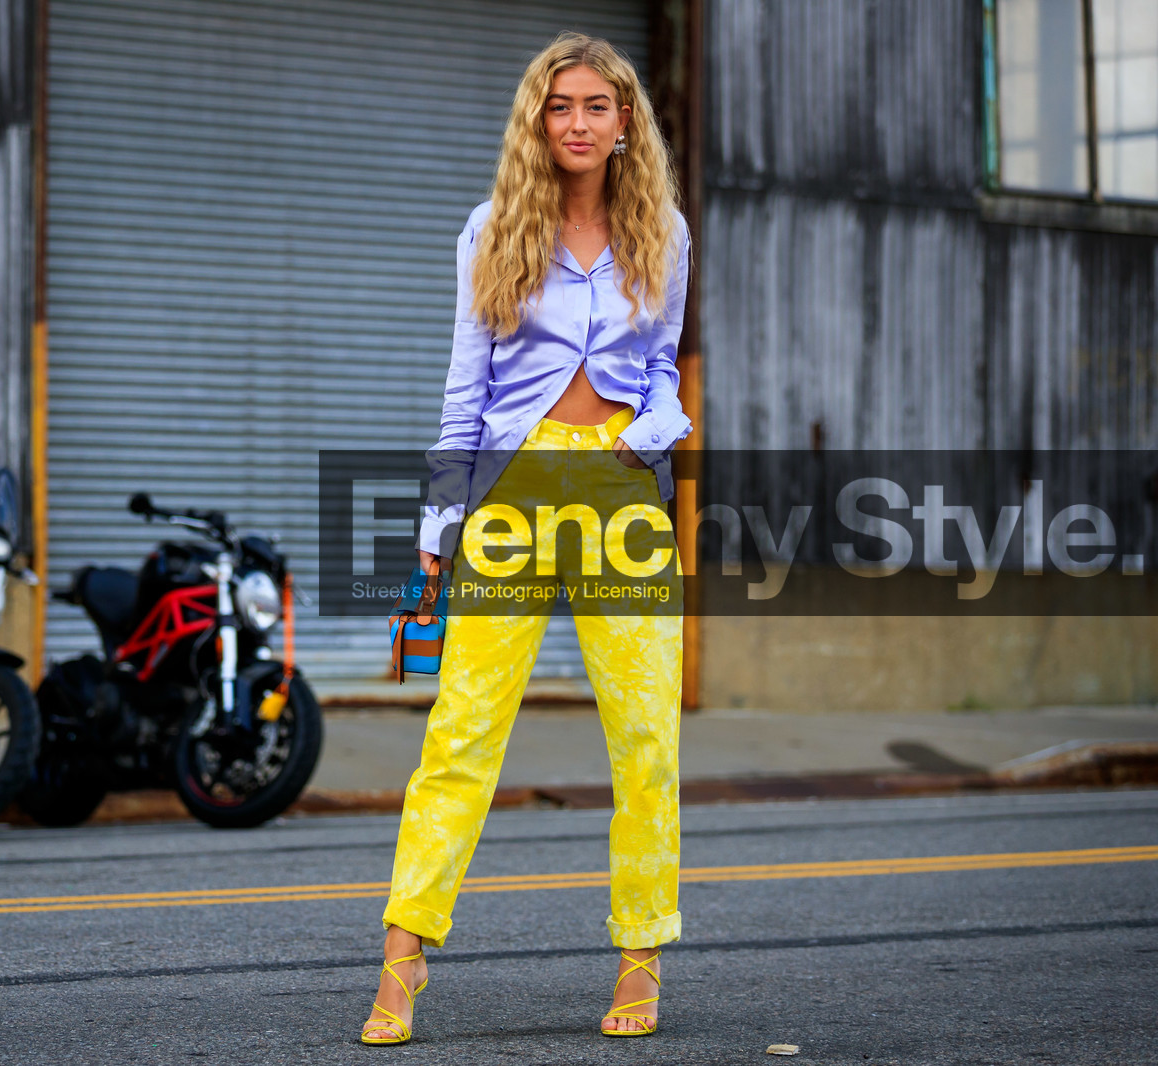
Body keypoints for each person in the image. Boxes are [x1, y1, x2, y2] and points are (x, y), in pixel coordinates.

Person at [359, 31, 692, 1045]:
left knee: (647, 737)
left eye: (597, 105)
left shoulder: (663, 230)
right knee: (461, 731)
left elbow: (665, 365)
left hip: (622, 495)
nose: (578, 122)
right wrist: (438, 520)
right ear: (537, 122)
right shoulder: (492, 227)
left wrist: (654, 428)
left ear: (624, 121)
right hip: (510, 493)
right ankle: (404, 953)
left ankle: (641, 955)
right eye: (560, 106)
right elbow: (465, 391)